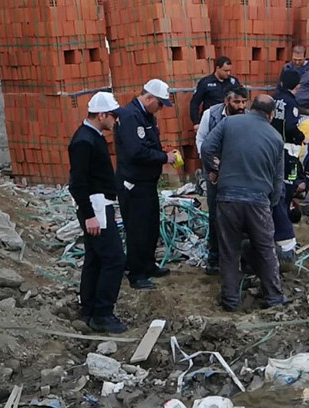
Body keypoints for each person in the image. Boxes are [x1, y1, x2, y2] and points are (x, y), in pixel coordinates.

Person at [200, 94, 288, 311]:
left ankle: (230, 300)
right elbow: (278, 182)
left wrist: (215, 170)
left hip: (227, 197)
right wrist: (271, 204)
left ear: (251, 108)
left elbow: (206, 148)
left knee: (229, 251)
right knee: (266, 250)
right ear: (271, 114)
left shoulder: (229, 122)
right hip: (258, 201)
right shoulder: (276, 138)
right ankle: (274, 298)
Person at [68, 92, 127, 334]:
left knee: (95, 257)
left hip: (100, 204)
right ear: (101, 114)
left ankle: (89, 307)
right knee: (114, 259)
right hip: (95, 206)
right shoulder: (84, 141)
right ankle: (103, 313)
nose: (115, 120)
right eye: (112, 115)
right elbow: (78, 182)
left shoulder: (93, 136)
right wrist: (89, 214)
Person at [115, 79, 179, 290]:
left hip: (147, 183)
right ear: (149, 97)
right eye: (159, 104)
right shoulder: (131, 116)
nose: (160, 109)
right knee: (137, 229)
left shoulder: (145, 116)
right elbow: (136, 151)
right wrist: (163, 157)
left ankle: (148, 264)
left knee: (151, 226)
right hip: (133, 183)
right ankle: (136, 273)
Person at [195, 85, 249, 276]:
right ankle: (214, 256)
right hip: (215, 174)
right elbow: (201, 142)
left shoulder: (248, 118)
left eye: (244, 102)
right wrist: (212, 166)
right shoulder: (211, 115)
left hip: (239, 175)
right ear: (227, 101)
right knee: (216, 216)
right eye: (237, 102)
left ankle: (241, 257)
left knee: (241, 216)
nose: (241, 106)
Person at [270, 70, 304, 261]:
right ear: (296, 85)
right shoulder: (291, 102)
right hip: (289, 152)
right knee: (288, 186)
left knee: (279, 187)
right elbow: (291, 126)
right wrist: (300, 136)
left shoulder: (275, 99)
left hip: (274, 150)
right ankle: (284, 236)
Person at [190, 56, 241, 129]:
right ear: (217, 68)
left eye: (230, 70)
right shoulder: (205, 82)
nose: (228, 73)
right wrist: (196, 122)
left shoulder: (233, 82)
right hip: (212, 120)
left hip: (230, 119)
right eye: (225, 71)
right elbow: (195, 103)